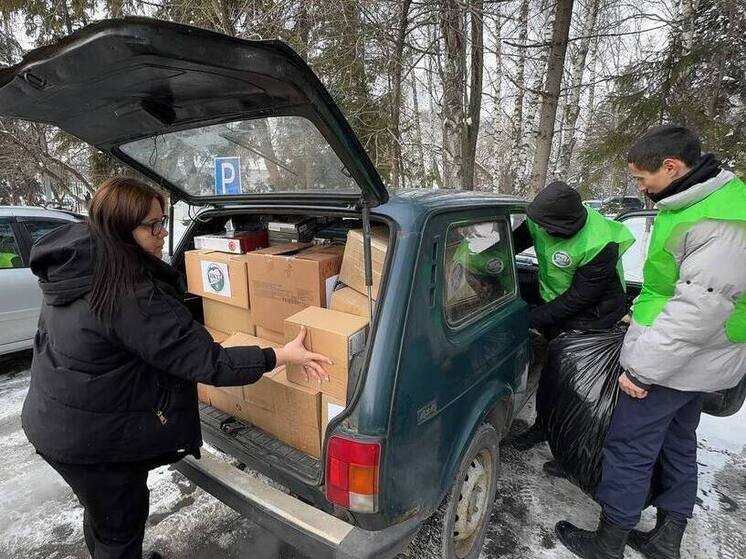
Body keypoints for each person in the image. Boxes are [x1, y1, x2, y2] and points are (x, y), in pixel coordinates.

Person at [21, 177, 332, 559]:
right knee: (119, 530)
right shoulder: (127, 293)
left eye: (163, 220)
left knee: (105, 517)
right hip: (92, 442)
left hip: (58, 421)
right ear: (121, 229)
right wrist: (282, 355)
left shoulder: (80, 266)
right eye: (152, 225)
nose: (163, 231)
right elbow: (211, 362)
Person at [555, 125, 746, 559]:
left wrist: (642, 370)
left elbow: (699, 311)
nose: (640, 187)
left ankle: (608, 544)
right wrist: (641, 311)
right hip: (700, 360)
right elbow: (678, 286)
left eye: (643, 178)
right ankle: (665, 540)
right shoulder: (709, 203)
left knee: (629, 447)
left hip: (678, 361)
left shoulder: (720, 222)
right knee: (678, 441)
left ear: (671, 167)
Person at [510, 181, 635, 464]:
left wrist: (529, 317)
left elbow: (579, 298)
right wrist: (477, 255)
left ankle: (573, 454)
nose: (540, 231)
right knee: (553, 376)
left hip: (593, 317)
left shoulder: (600, 242)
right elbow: (508, 245)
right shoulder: (541, 219)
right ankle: (543, 428)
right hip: (556, 304)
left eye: (546, 228)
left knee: (579, 388)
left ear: (567, 225)